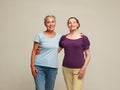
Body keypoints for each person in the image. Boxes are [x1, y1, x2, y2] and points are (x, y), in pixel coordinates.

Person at [58, 17, 91, 90]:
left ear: (78, 24)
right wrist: (41, 50)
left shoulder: (83, 38)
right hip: (66, 68)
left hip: (79, 69)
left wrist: (84, 68)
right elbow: (56, 51)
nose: (72, 24)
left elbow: (88, 55)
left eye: (74, 22)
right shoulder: (63, 38)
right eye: (70, 22)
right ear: (67, 25)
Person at [30, 15, 61, 90]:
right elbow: (34, 51)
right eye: (48, 22)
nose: (51, 24)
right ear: (45, 24)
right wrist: (32, 66)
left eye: (52, 22)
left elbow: (70, 38)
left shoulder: (60, 37)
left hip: (52, 69)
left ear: (55, 23)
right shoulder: (39, 35)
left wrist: (80, 34)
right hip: (39, 67)